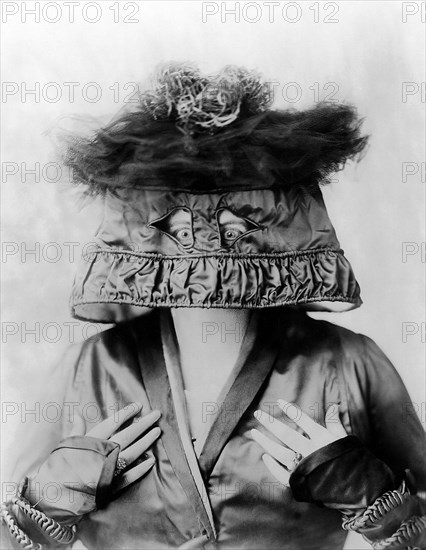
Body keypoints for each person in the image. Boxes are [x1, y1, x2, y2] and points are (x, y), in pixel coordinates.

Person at [1, 63, 425, 550]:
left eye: (235, 220)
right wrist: (47, 502)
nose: (203, 244)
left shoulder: (350, 363)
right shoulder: (87, 369)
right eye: (176, 225)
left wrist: (378, 499)